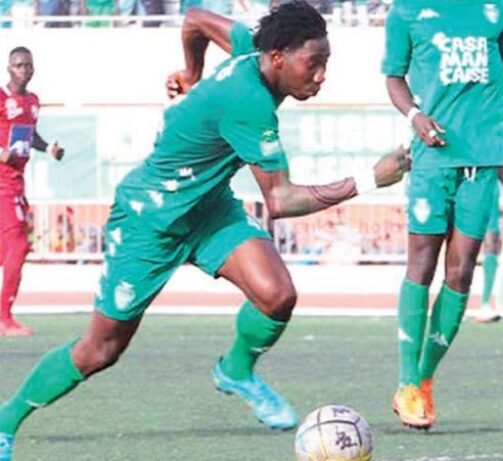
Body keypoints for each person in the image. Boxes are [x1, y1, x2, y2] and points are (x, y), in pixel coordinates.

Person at [0, 3, 406, 460]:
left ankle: (235, 370)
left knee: (277, 294)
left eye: (325, 63)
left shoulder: (249, 47)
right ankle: (5, 421)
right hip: (149, 219)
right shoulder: (250, 104)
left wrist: (191, 71)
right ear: (277, 57)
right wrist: (372, 178)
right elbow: (281, 201)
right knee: (100, 350)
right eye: (313, 64)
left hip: (208, 208)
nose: (321, 75)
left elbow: (193, 17)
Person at [382, 0, 503, 430]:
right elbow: (393, 78)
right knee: (421, 264)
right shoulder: (407, 11)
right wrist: (416, 115)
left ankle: (424, 378)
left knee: (460, 275)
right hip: (433, 156)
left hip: (484, 157)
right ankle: (405, 383)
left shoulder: (495, 8)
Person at [0, 47, 65, 337]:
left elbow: (29, 135)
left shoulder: (33, 102)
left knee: (8, 248)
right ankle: (3, 317)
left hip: (17, 179)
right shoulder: (1, 98)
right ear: (8, 69)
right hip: (2, 181)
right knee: (18, 246)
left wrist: (48, 147)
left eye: (27, 65)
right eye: (17, 65)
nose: (23, 69)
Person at [472, 166, 503, 324]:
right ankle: (452, 305)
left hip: (490, 195)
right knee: (463, 249)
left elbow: (500, 167)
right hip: (466, 192)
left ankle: (485, 304)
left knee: (491, 244)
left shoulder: (494, 143)